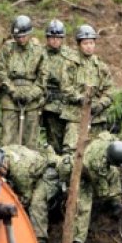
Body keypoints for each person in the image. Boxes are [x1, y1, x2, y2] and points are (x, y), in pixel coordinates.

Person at [58, 134, 122, 243]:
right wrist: (121, 190)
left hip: (88, 164)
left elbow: (105, 134)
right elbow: (103, 194)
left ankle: (115, 205)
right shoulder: (98, 165)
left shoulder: (108, 142)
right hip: (80, 175)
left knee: (114, 173)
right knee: (84, 207)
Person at [0, 145, 60, 243]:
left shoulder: (20, 170)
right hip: (33, 171)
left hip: (48, 173)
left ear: (4, 163)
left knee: (36, 203)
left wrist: (15, 202)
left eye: (0, 170)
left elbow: (26, 198)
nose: (0, 174)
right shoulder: (4, 151)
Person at [0, 15, 47, 148]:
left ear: (29, 34)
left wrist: (32, 94)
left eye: (23, 36)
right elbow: (0, 72)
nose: (21, 40)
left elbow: (43, 76)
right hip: (10, 97)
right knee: (8, 138)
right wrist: (12, 91)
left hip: (32, 100)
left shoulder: (38, 50)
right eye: (17, 37)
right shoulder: (7, 48)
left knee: (30, 141)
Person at [60, 24, 115, 153]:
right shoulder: (70, 64)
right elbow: (65, 87)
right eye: (85, 43)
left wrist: (101, 104)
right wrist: (81, 99)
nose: (89, 46)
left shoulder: (101, 66)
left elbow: (109, 91)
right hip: (75, 117)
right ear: (79, 45)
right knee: (71, 152)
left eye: (91, 43)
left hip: (96, 118)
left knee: (98, 152)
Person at [42, 20, 74, 155]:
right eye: (52, 38)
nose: (55, 41)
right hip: (49, 103)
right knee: (53, 139)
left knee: (69, 139)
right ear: (48, 38)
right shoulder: (41, 54)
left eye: (58, 38)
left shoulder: (70, 55)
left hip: (67, 102)